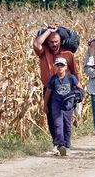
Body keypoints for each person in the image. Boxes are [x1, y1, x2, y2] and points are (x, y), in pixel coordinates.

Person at [33, 24, 80, 152]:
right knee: (52, 119)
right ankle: (57, 143)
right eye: (51, 42)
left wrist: (78, 91)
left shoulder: (68, 54)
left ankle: (65, 143)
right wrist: (49, 31)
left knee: (65, 118)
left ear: (61, 41)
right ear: (48, 42)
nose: (54, 44)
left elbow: (75, 72)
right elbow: (37, 44)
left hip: (66, 90)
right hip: (49, 89)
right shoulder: (44, 52)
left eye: (56, 41)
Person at [43, 58, 82, 156]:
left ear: (66, 67)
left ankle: (67, 145)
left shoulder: (71, 78)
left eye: (62, 65)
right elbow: (48, 92)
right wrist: (45, 105)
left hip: (68, 105)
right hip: (56, 105)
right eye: (58, 65)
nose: (60, 67)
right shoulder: (53, 79)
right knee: (58, 125)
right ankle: (61, 145)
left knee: (67, 125)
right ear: (55, 67)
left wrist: (79, 99)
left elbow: (79, 87)